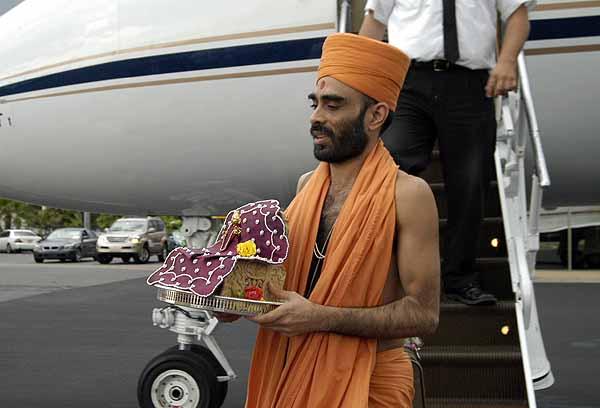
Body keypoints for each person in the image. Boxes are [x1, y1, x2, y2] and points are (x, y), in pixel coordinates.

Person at [241, 33, 440, 408]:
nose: (317, 118)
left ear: (376, 115)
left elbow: (423, 314)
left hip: (371, 379)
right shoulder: (305, 187)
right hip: (291, 368)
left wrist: (319, 317)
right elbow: (281, 285)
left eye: (333, 106)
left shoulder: (408, 195)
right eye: (315, 104)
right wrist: (234, 297)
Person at [359, 0, 534, 305]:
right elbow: (374, 24)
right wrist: (358, 79)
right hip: (408, 82)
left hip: (470, 84)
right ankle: (382, 273)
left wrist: (506, 62)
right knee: (391, 170)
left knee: (470, 184)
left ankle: (459, 278)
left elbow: (518, 16)